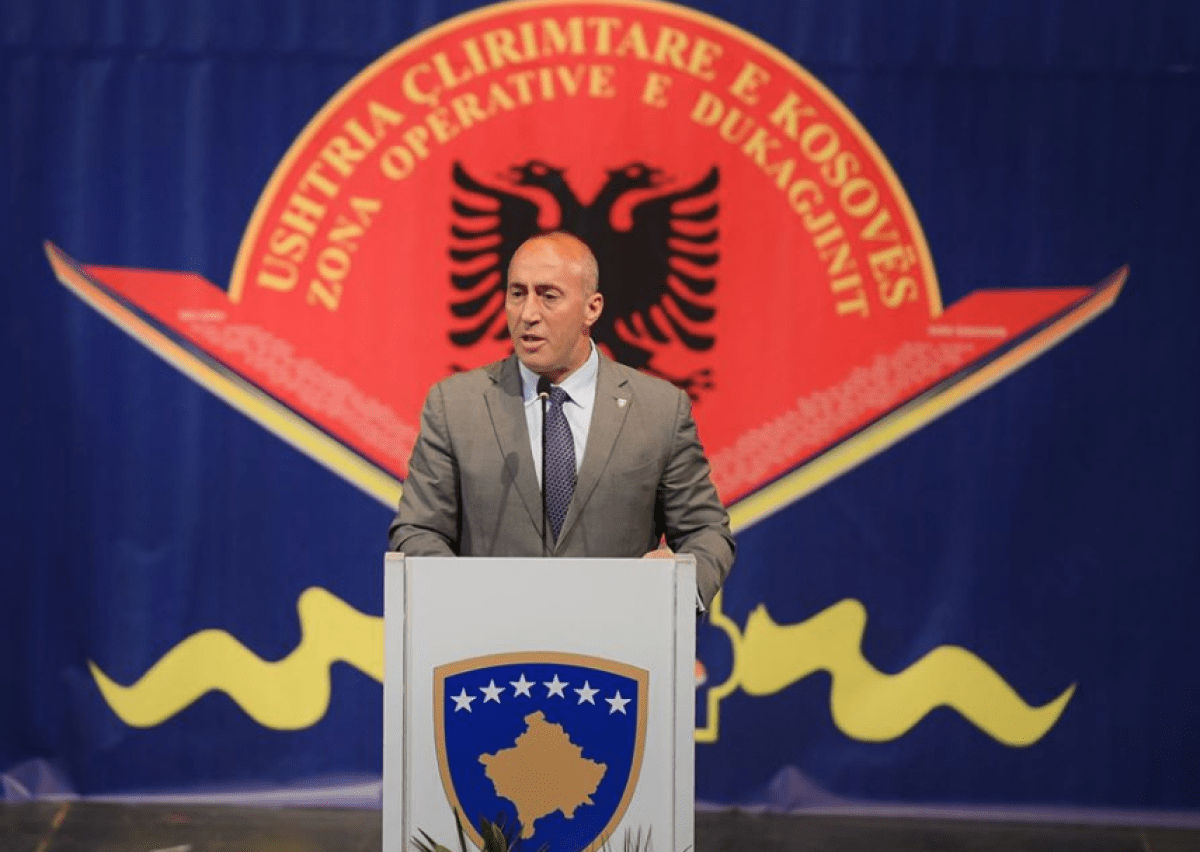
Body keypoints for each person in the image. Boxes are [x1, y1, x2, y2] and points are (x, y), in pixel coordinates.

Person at [388, 231, 734, 608]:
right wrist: (466, 601)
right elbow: (418, 532)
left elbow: (705, 532)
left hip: (617, 632)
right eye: (517, 294)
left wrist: (679, 583)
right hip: (492, 635)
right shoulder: (456, 406)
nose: (528, 314)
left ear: (591, 308)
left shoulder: (659, 410)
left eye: (548, 296)